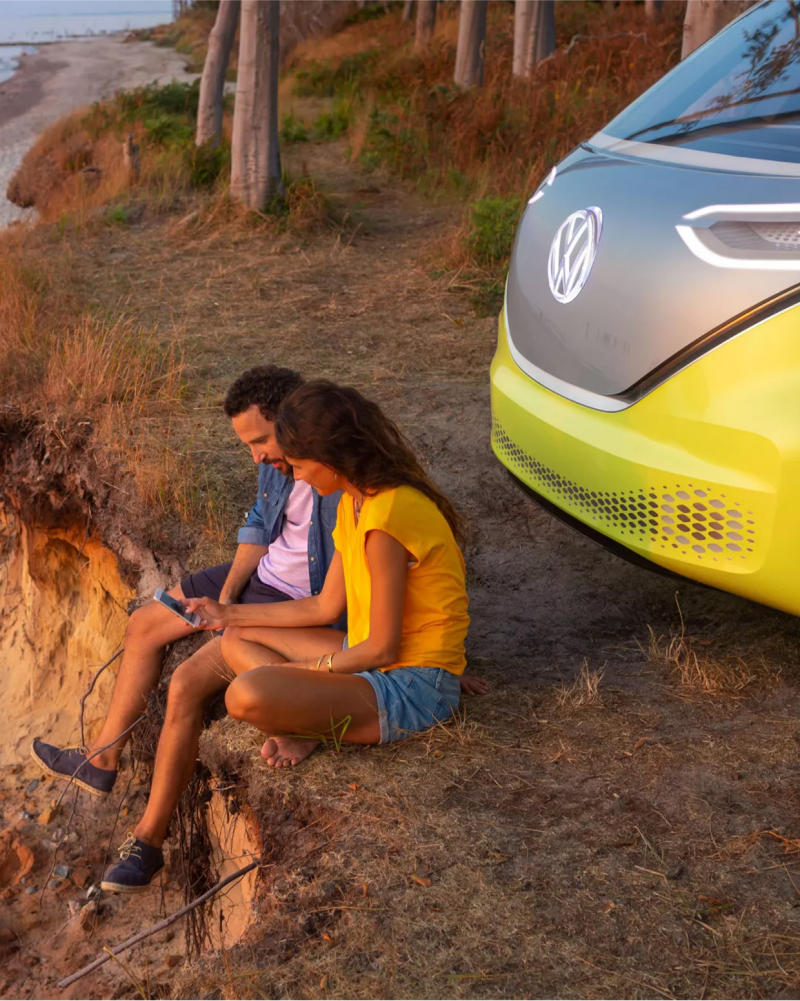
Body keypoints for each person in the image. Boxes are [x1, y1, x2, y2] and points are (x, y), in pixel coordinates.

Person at [31, 364, 342, 803]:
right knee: (143, 625)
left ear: (293, 422)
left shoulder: (340, 482)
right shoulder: (275, 460)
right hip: (260, 574)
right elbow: (259, 521)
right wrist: (231, 589)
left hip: (295, 600)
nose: (255, 456)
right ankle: (101, 761)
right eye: (248, 444)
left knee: (185, 682)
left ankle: (148, 829)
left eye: (259, 441)